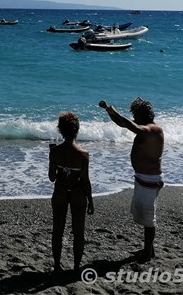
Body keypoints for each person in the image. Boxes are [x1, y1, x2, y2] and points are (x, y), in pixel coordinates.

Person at [98, 98, 164, 262]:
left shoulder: (153, 130)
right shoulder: (143, 126)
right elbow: (123, 124)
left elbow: (132, 126)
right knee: (143, 214)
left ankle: (148, 253)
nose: (133, 117)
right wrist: (109, 111)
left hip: (150, 178)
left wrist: (116, 113)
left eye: (135, 114)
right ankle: (149, 249)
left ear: (141, 115)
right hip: (143, 177)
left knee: (149, 218)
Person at [48, 112, 94, 274]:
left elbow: (52, 177)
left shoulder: (55, 152)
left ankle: (57, 265)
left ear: (60, 130)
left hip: (60, 192)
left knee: (57, 231)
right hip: (78, 194)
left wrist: (51, 156)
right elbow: (85, 181)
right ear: (77, 130)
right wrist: (90, 200)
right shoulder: (83, 155)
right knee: (78, 233)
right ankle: (76, 267)